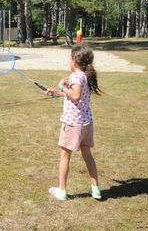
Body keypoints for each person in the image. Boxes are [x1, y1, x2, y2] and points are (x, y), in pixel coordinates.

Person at [46, 45, 102, 201]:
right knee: (87, 155)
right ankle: (95, 189)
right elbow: (70, 94)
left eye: (70, 57)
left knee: (64, 156)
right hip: (85, 123)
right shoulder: (84, 75)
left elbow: (75, 95)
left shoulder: (76, 77)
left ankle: (62, 191)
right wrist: (56, 92)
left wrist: (62, 86)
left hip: (73, 124)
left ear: (75, 60)